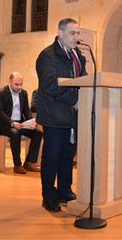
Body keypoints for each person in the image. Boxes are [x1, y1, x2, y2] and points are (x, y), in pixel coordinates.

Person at [35, 18, 87, 212]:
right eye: (73, 33)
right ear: (60, 33)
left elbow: (84, 80)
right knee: (52, 157)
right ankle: (48, 195)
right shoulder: (48, 55)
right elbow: (49, 85)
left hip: (73, 116)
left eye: (78, 33)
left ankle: (65, 190)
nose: (77, 37)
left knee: (67, 156)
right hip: (54, 115)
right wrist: (74, 100)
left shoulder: (78, 55)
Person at [0, 72, 42, 174]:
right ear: (10, 81)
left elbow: (26, 110)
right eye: (16, 84)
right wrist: (12, 123)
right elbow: (0, 113)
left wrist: (31, 122)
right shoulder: (0, 93)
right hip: (4, 124)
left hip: (20, 123)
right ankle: (17, 165)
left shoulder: (23, 93)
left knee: (38, 132)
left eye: (21, 84)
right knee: (15, 132)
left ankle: (29, 162)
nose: (19, 87)